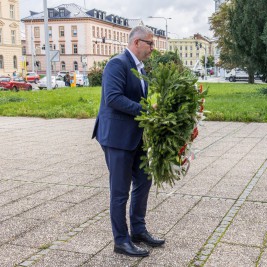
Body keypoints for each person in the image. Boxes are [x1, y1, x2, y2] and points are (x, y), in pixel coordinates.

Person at [92, 25, 164, 258]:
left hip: (136, 136)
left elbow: (141, 97)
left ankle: (138, 230)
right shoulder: (117, 63)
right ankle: (121, 241)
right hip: (117, 137)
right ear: (136, 43)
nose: (153, 48)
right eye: (150, 43)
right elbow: (113, 98)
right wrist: (146, 110)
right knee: (120, 191)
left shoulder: (140, 68)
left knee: (144, 180)